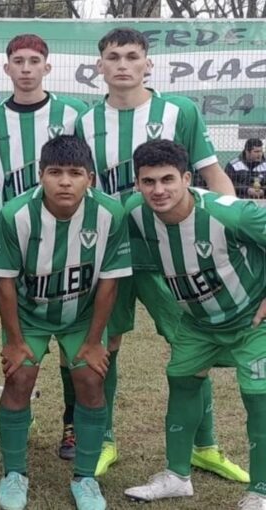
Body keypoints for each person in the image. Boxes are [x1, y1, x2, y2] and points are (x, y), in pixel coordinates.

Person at [75, 27, 246, 481]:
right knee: (105, 344)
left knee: (190, 343)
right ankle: (103, 439)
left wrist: (231, 228)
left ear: (148, 63)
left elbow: (212, 176)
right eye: (113, 56)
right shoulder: (84, 121)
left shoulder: (179, 110)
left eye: (132, 56)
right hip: (109, 253)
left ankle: (204, 445)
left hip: (172, 253)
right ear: (100, 66)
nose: (123, 64)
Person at [124, 139, 265, 510]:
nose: (159, 190)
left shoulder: (232, 214)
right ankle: (176, 477)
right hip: (198, 323)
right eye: (148, 181)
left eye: (168, 179)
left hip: (252, 320)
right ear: (136, 183)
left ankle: (261, 491)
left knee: (259, 398)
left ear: (187, 178)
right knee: (182, 381)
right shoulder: (134, 213)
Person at [0, 135, 130, 510]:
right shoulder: (15, 214)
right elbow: (3, 282)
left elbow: (109, 283)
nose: (64, 182)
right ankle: (14, 474)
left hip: (81, 315)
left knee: (89, 378)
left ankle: (85, 479)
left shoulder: (110, 215)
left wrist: (94, 341)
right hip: (29, 314)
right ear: (41, 176)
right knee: (19, 377)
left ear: (91, 178)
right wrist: (15, 342)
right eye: (55, 172)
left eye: (75, 173)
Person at [0, 33, 87, 460]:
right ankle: (18, 417)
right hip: (12, 245)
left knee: (70, 343)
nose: (25, 68)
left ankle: (72, 425)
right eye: (18, 61)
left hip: (69, 241)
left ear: (47, 67)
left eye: (34, 61)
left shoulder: (73, 113)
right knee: (18, 338)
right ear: (6, 68)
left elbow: (82, 170)